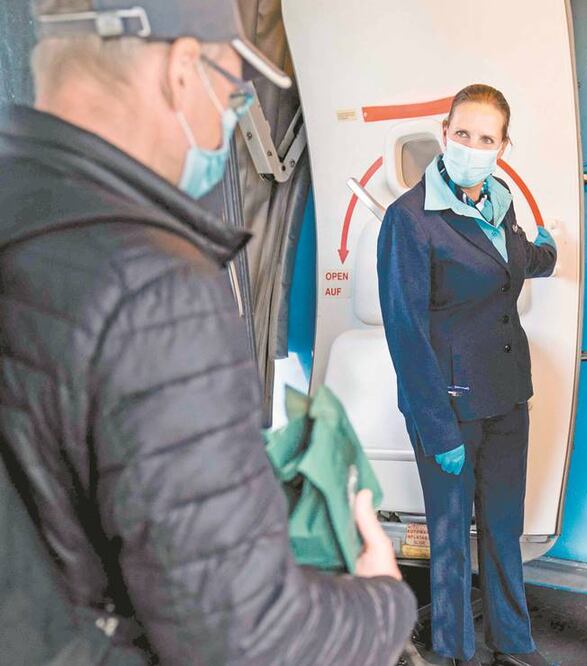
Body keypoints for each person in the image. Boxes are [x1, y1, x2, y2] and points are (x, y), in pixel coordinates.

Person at [0, 1, 416, 664]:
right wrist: (382, 603)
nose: (231, 115)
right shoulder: (156, 286)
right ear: (183, 68)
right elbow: (246, 638)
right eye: (234, 89)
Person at [377, 85, 557, 666]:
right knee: (452, 539)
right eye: (463, 134)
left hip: (507, 397)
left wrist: (548, 252)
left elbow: (518, 258)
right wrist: (437, 429)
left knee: (504, 531)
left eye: (487, 139)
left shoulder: (499, 204)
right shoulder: (410, 220)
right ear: (444, 130)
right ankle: (455, 651)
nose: (472, 147)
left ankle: (513, 642)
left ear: (503, 146)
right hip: (449, 407)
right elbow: (404, 332)